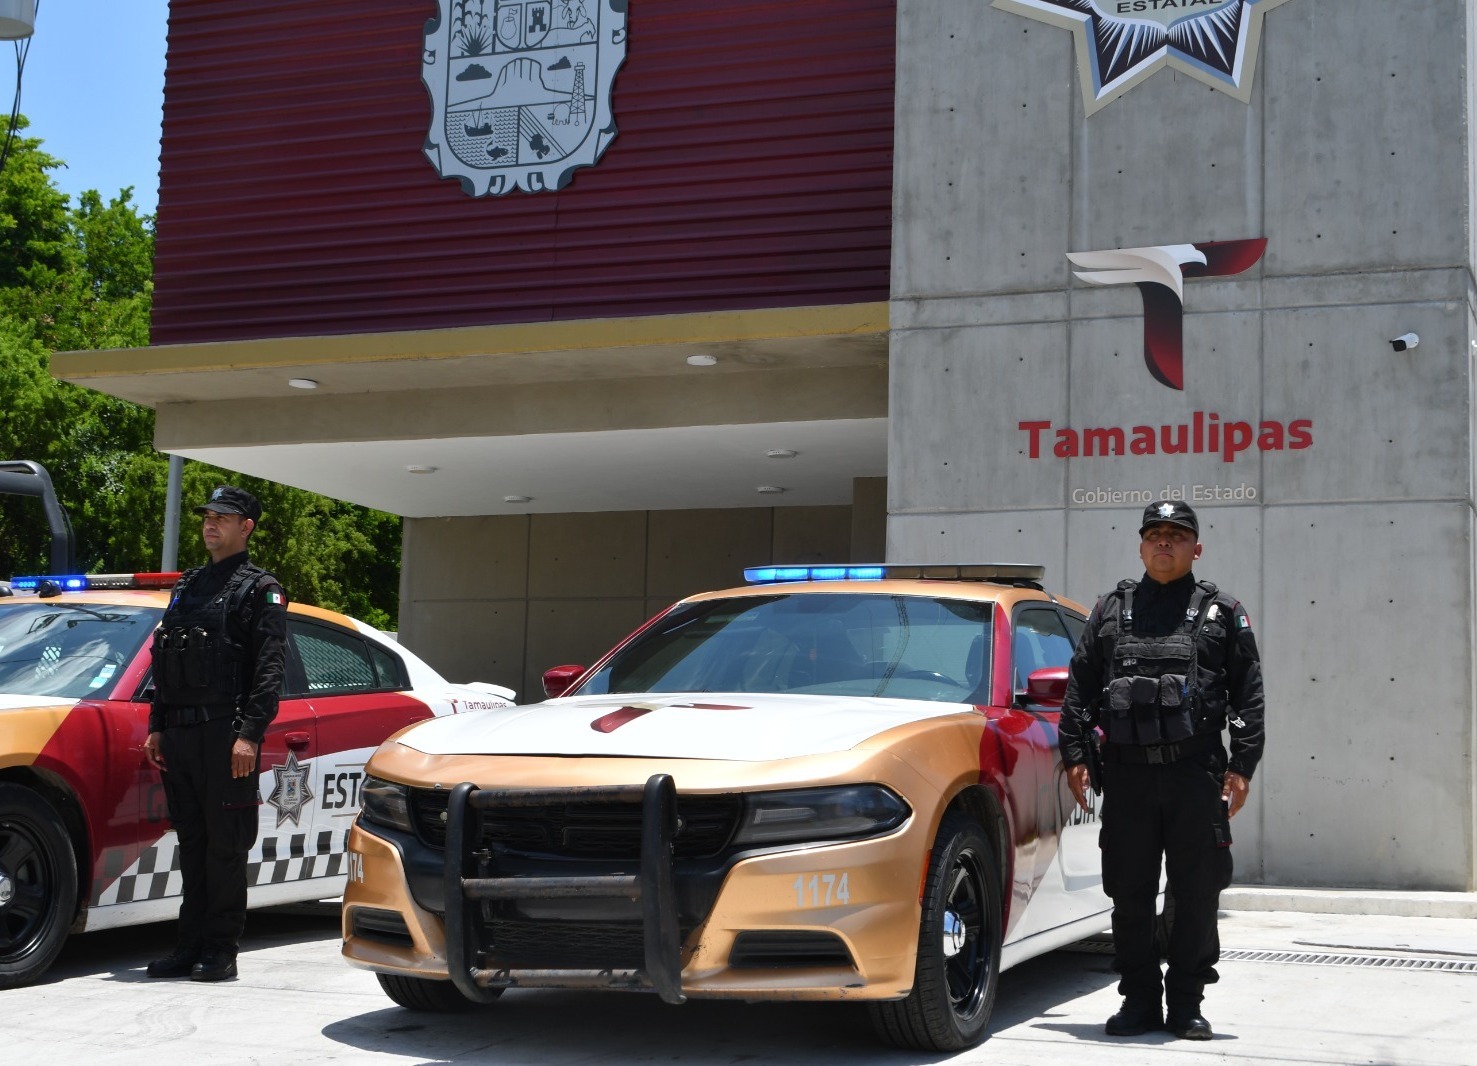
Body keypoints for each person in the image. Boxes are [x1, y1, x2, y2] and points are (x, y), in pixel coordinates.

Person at [1059, 500, 1264, 1041]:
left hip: (1195, 774)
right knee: (1129, 891)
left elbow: (1249, 691)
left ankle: (1187, 1002)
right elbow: (1080, 686)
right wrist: (1076, 754)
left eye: (1177, 535)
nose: (1164, 543)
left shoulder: (1222, 611)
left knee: (1197, 890)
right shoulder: (1110, 609)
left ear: (1197, 548)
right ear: (1141, 545)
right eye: (1155, 534)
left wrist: (1242, 765)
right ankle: (1140, 1000)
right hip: (1126, 776)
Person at [142, 485, 287, 981]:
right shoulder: (188, 586)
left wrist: (249, 735)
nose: (210, 524)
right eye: (207, 516)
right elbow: (166, 659)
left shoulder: (259, 588)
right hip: (180, 735)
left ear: (245, 527)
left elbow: (269, 669)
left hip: (226, 737)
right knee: (194, 843)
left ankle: (220, 951)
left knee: (225, 847)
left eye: (223, 518)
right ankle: (188, 946)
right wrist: (157, 724)